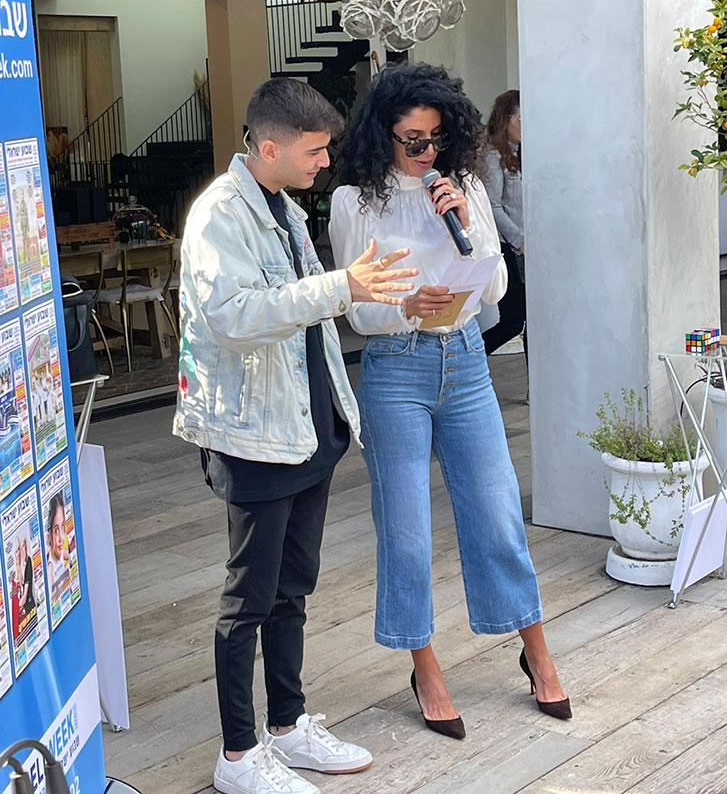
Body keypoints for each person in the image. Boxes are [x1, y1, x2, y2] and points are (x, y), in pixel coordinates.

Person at [174, 77, 417, 794]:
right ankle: (237, 757)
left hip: (308, 430)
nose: (325, 162)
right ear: (269, 147)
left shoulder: (283, 205)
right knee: (248, 599)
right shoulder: (219, 214)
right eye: (315, 151)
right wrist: (343, 286)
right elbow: (234, 316)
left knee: (292, 589)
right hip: (253, 438)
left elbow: (300, 309)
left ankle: (287, 726)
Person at [329, 63, 570, 740]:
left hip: (465, 363)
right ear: (384, 133)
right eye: (412, 139)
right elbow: (357, 310)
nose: (426, 150)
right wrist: (405, 304)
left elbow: (494, 289)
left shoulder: (464, 185)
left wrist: (465, 220)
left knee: (497, 514)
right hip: (395, 369)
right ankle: (425, 668)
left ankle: (536, 651)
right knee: (405, 530)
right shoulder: (354, 202)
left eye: (436, 137)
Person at [480, 90, 527, 366]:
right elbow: (492, 205)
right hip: (507, 249)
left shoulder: (524, 153)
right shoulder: (492, 157)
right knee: (513, 321)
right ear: (506, 119)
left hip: (526, 251)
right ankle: (469, 361)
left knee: (533, 321)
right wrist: (519, 239)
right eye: (521, 119)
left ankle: (536, 384)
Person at [46, 491, 70, 594]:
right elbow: (54, 596)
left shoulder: (64, 552)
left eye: (62, 527)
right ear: (49, 534)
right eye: (56, 530)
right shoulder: (50, 567)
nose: (61, 537)